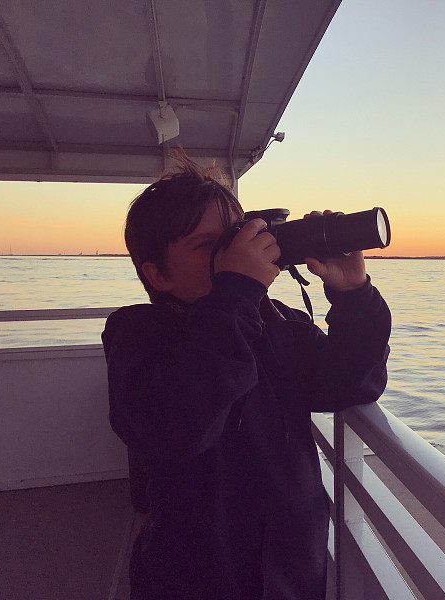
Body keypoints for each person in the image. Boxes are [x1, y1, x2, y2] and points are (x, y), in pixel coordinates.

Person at [102, 156, 391, 600]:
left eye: (236, 238)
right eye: (208, 245)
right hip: (196, 577)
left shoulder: (276, 323)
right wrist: (235, 293)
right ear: (158, 274)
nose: (233, 256)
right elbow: (174, 428)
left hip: (292, 569)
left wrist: (353, 294)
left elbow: (353, 382)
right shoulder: (138, 333)